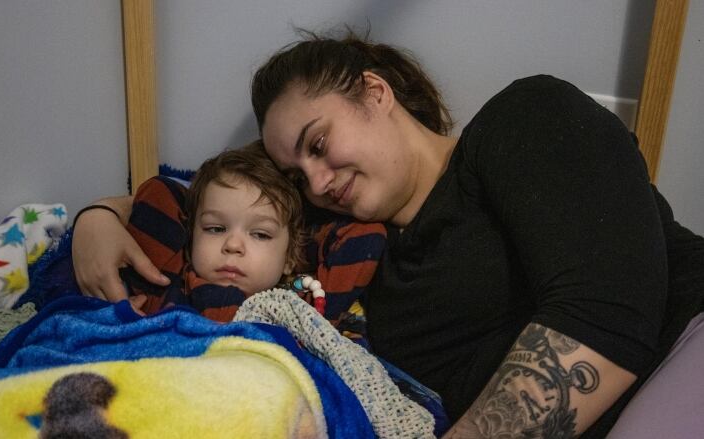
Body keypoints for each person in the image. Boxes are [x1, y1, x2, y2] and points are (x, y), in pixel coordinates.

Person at [73, 31, 704, 438]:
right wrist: (99, 215)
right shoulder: (349, 258)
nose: (318, 180)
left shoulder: (523, 120)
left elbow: (607, 314)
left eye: (318, 144)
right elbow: (211, 197)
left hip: (681, 350)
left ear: (374, 92)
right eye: (299, 177)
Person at [76, 141, 308, 320]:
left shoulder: (296, 309)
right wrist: (97, 215)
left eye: (260, 234)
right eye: (215, 228)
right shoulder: (168, 282)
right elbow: (159, 191)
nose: (233, 245)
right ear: (191, 234)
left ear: (290, 256)